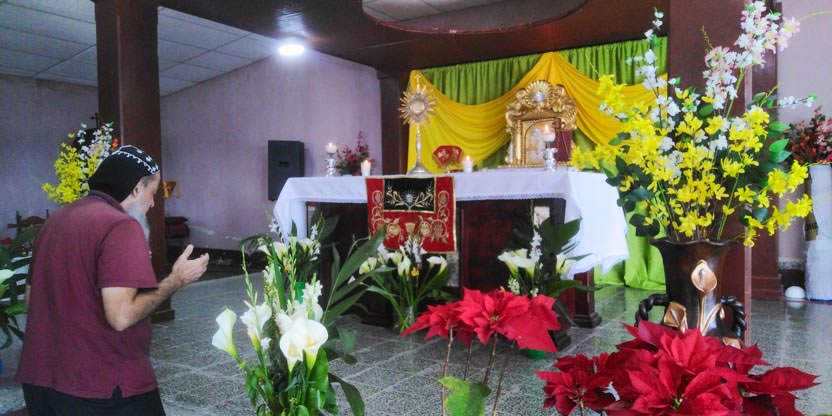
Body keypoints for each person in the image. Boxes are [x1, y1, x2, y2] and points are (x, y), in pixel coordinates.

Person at [15, 145, 209, 415]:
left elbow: (30, 301)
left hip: (42, 382)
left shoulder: (55, 221)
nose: (153, 203)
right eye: (153, 192)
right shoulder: (121, 226)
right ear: (136, 189)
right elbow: (121, 316)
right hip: (103, 386)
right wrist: (175, 280)